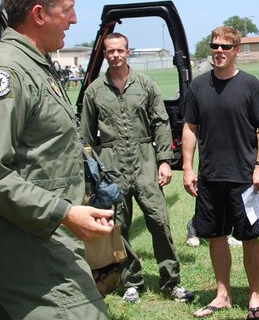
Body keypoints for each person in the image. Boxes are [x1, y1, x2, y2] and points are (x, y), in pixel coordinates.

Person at [0, 0, 125, 320]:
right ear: (38, 14)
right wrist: (65, 214)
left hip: (41, 239)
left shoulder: (36, 65)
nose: (74, 19)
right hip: (36, 245)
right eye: (67, 9)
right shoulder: (6, 72)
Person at [81, 32, 194, 304]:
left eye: (120, 50)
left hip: (144, 160)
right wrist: (91, 175)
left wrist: (165, 161)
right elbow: (85, 136)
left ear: (128, 52)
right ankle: (132, 281)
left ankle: (171, 280)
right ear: (105, 54)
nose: (115, 55)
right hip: (111, 164)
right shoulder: (94, 91)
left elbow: (161, 123)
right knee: (118, 226)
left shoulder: (146, 85)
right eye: (110, 51)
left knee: (159, 220)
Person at [182, 25, 259, 320]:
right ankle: (222, 295)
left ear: (236, 50)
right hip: (210, 176)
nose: (218, 51)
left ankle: (255, 295)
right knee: (216, 236)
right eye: (214, 46)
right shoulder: (198, 86)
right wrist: (187, 167)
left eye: (225, 47)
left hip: (246, 177)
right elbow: (190, 128)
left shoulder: (250, 85)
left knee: (250, 237)